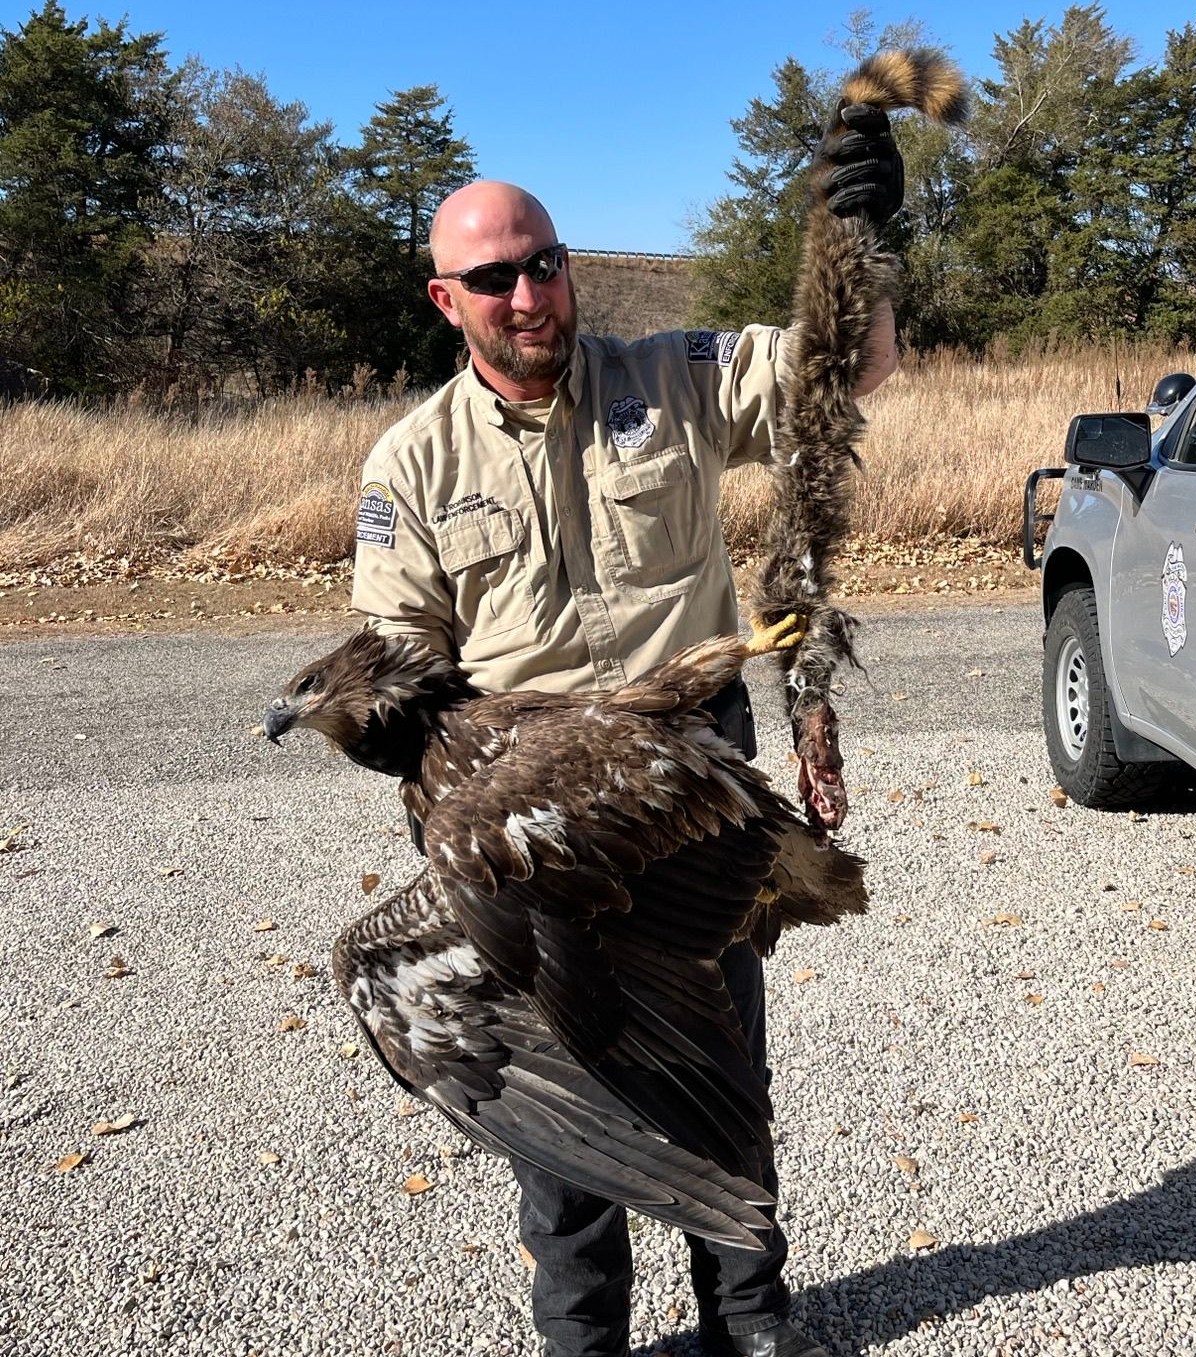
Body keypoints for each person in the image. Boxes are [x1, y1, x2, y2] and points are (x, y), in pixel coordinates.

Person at [349, 116, 903, 1357]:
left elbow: (844, 370)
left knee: (717, 1051)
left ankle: (750, 1320)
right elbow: (396, 685)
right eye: (492, 277)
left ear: (567, 265)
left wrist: (861, 244)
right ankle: (584, 1337)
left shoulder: (674, 377)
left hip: (689, 780)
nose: (526, 293)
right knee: (557, 1093)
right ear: (448, 300)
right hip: (529, 815)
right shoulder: (412, 465)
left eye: (542, 262)